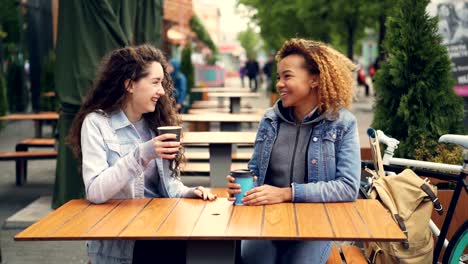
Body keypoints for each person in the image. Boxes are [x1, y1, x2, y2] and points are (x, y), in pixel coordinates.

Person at [68, 44, 216, 264]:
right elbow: (95, 192)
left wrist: (188, 192)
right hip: (123, 239)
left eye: (162, 83)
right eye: (155, 82)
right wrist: (141, 154)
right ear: (129, 84)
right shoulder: (96, 123)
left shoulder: (156, 122)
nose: (162, 91)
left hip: (161, 229)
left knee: (209, 242)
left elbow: (164, 186)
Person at [226, 38, 361, 264]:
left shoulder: (342, 123)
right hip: (267, 218)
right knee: (252, 259)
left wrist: (287, 193)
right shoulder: (270, 119)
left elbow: (347, 187)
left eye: (287, 76)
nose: (279, 84)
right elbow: (255, 171)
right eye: (279, 77)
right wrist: (244, 186)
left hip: (316, 223)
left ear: (314, 80)